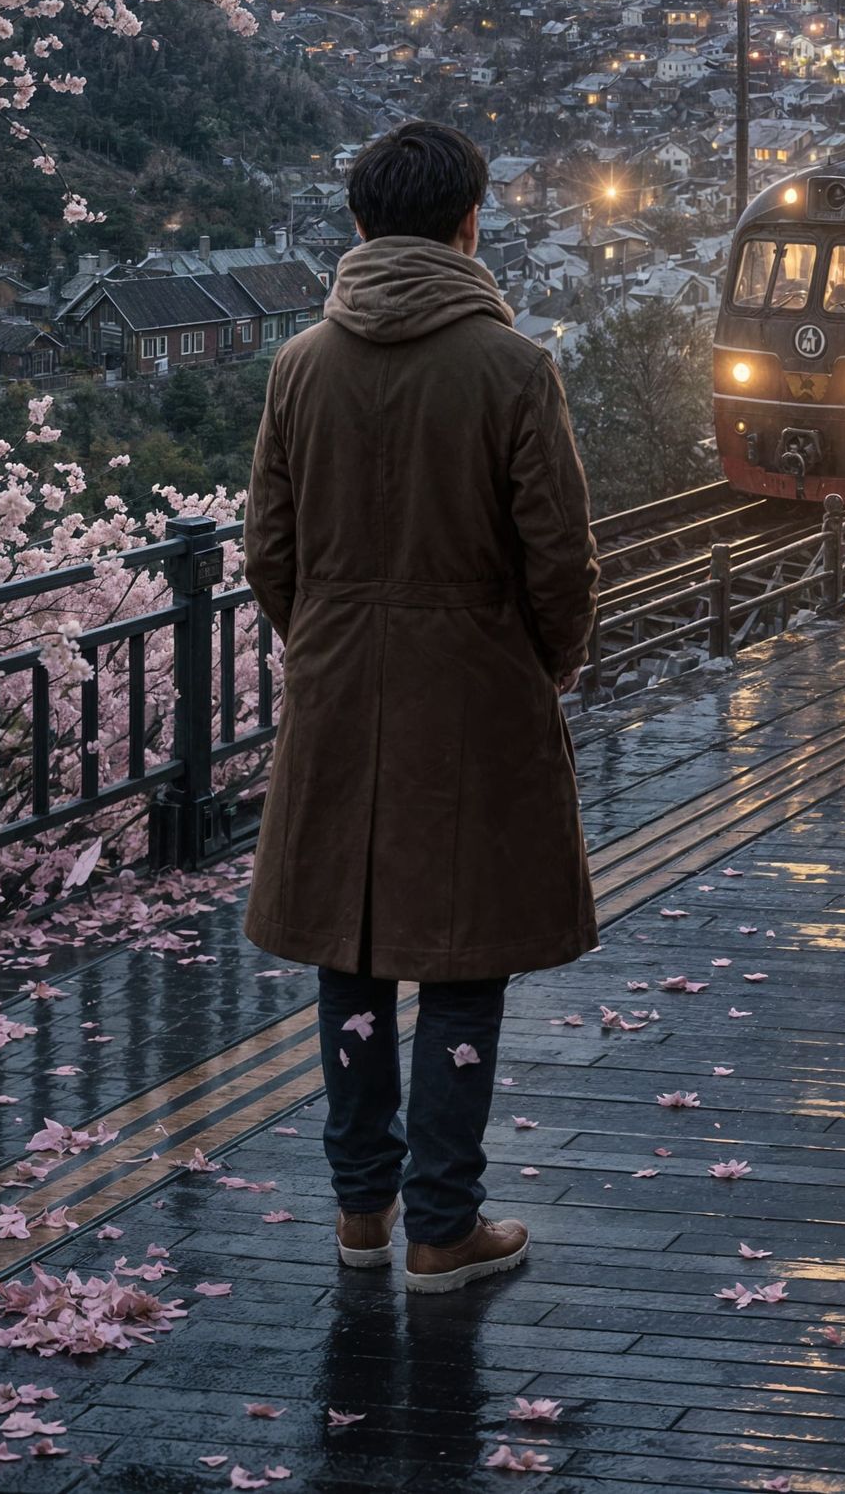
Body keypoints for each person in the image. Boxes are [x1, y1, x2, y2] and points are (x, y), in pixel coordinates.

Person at [243, 120, 598, 1294]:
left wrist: (333, 639)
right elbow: (559, 556)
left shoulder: (302, 363)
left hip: (342, 685)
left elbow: (267, 551)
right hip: (476, 686)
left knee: (347, 947)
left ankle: (360, 1215)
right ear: (469, 221)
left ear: (358, 227)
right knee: (461, 955)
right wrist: (535, 662)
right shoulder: (511, 367)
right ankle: (445, 1226)